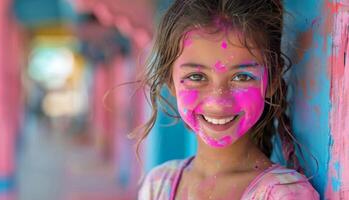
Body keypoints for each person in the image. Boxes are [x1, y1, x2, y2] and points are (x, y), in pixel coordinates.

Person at [136, 0, 320, 199]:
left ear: (272, 80)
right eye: (196, 77)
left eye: (242, 77)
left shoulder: (283, 194)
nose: (218, 101)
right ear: (170, 82)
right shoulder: (158, 184)